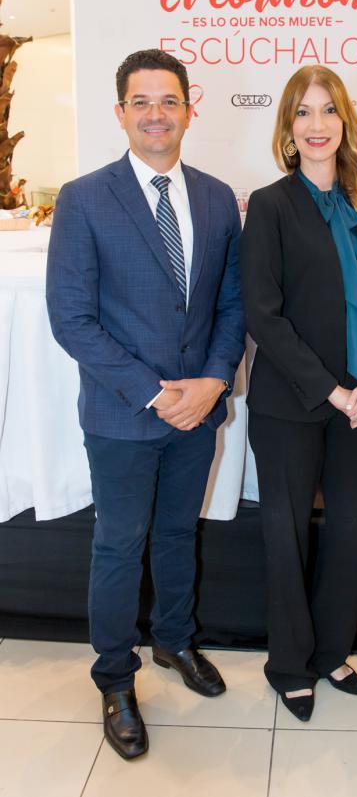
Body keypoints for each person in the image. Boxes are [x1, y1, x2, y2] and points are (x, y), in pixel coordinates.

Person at [46, 49, 245, 760]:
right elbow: (70, 318)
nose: (156, 113)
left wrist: (215, 381)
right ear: (121, 112)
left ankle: (174, 641)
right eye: (141, 101)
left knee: (176, 535)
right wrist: (156, 393)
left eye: (169, 100)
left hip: (198, 412)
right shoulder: (84, 197)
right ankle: (115, 677)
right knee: (120, 544)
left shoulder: (220, 198)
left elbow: (231, 304)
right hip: (125, 415)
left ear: (190, 108)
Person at [240, 65, 357, 722]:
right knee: (286, 533)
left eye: (328, 110)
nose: (317, 124)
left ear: (345, 122)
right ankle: (289, 662)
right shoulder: (271, 204)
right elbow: (262, 314)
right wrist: (332, 388)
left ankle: (333, 651)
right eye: (303, 112)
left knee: (353, 530)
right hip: (290, 404)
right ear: (288, 127)